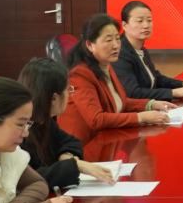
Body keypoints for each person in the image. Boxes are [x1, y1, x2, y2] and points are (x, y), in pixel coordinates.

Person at [60, 14, 176, 146]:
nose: (116, 45)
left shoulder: (106, 65)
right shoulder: (80, 74)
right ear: (90, 45)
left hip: (106, 140)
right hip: (84, 147)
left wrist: (151, 104)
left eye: (117, 39)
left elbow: (121, 102)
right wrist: (141, 117)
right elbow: (96, 119)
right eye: (108, 40)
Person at [18, 57, 115, 192]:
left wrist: (67, 155)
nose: (70, 94)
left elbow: (70, 141)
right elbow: (29, 179)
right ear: (54, 98)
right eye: (68, 90)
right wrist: (76, 166)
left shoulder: (44, 119)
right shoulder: (20, 129)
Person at [113, 0, 183, 101]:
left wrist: (182, 84)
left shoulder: (141, 49)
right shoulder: (120, 53)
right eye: (140, 21)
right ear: (124, 25)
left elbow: (155, 78)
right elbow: (132, 93)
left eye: (149, 20)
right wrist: (172, 93)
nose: (146, 25)